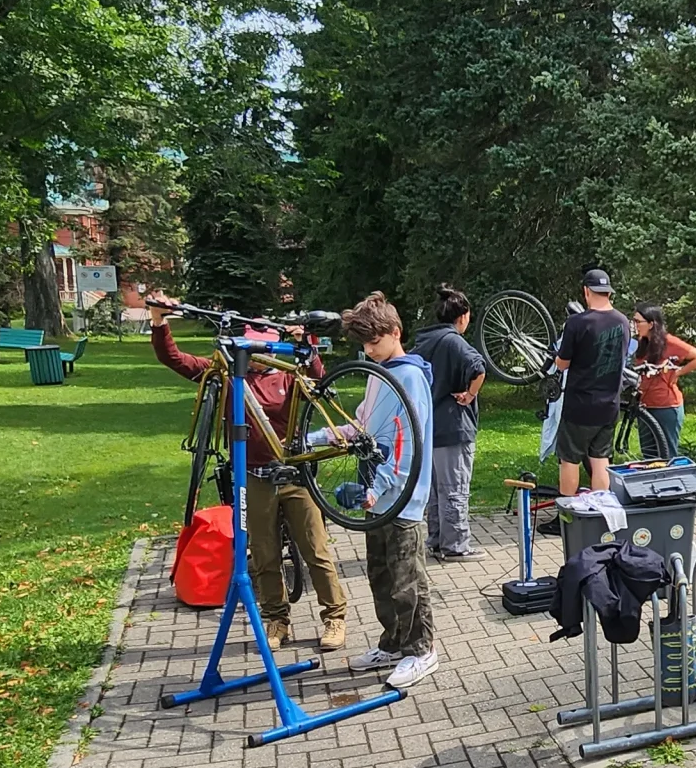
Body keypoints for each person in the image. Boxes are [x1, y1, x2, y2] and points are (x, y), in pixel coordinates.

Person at [145, 292, 353, 653]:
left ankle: (334, 616)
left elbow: (321, 382)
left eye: (267, 349)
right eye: (255, 350)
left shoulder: (290, 374)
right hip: (253, 477)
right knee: (264, 552)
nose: (261, 357)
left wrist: (308, 343)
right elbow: (176, 360)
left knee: (315, 549)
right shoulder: (229, 376)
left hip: (295, 474)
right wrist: (159, 322)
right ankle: (277, 618)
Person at [318, 292, 442, 689]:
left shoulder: (408, 377)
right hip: (377, 497)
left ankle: (422, 651)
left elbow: (407, 444)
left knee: (408, 581)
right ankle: (392, 643)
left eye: (374, 342)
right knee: (380, 576)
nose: (369, 351)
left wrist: (377, 490)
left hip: (401, 500)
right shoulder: (378, 373)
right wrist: (314, 438)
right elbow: (362, 427)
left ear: (395, 332)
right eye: (364, 345)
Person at [409, 285, 488, 561]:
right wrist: (470, 395)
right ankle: (456, 546)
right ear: (463, 316)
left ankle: (436, 539)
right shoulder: (455, 342)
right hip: (454, 426)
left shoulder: (424, 341)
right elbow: (478, 368)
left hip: (429, 426)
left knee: (435, 489)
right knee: (455, 487)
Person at [550, 268, 632, 497]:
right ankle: (600, 511)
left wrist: (557, 358)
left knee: (569, 459)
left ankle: (567, 514)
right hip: (609, 404)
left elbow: (562, 363)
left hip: (580, 405)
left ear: (586, 291)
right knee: (600, 460)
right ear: (608, 293)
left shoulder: (577, 323)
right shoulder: (623, 322)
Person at [630, 304, 696, 458]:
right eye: (634, 321)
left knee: (666, 456)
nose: (635, 325)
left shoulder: (669, 342)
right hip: (645, 406)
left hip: (666, 407)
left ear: (651, 324)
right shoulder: (641, 343)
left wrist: (678, 372)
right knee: (649, 457)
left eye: (638, 322)